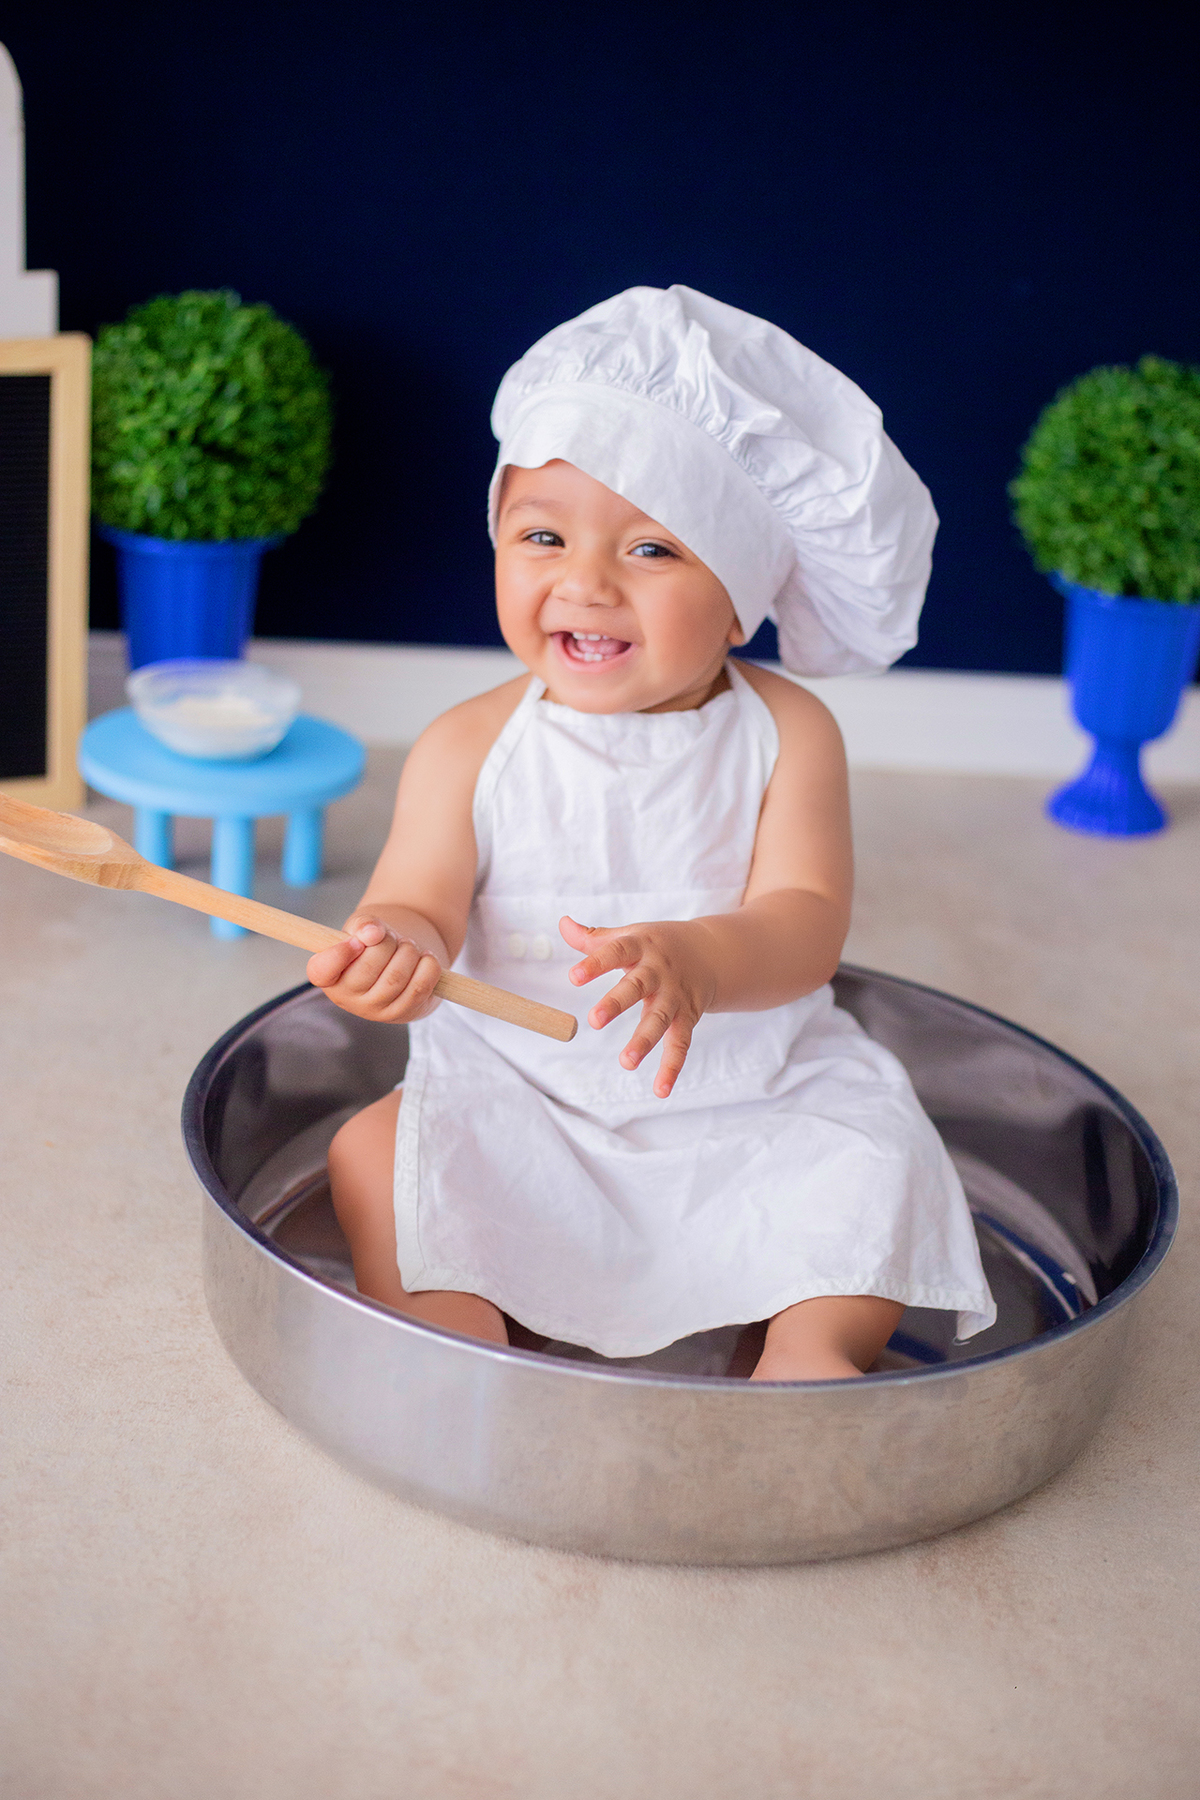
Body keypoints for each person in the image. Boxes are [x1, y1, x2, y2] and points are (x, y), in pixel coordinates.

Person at [307, 285, 995, 1381]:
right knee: (374, 1151)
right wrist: (394, 948)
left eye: (653, 551)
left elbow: (807, 922)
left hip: (754, 1096)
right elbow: (418, 899)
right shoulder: (467, 744)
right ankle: (460, 1348)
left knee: (879, 1158)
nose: (583, 582)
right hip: (525, 1101)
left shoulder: (788, 733)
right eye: (542, 535)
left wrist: (700, 957)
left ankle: (811, 1359)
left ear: (740, 604)